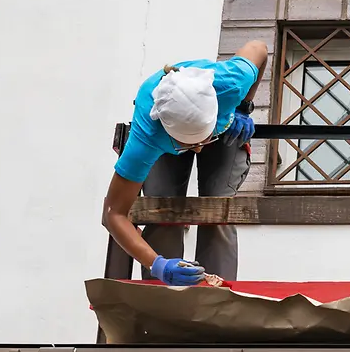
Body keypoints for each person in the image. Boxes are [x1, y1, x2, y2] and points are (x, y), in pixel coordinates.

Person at [102, 40, 268, 286]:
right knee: (162, 209)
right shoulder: (146, 137)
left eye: (202, 140)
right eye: (190, 145)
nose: (199, 148)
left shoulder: (231, 83)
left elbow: (260, 49)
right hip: (162, 134)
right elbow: (113, 214)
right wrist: (157, 264)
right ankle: (162, 294)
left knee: (218, 208)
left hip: (223, 122)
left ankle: (217, 296)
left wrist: (244, 108)